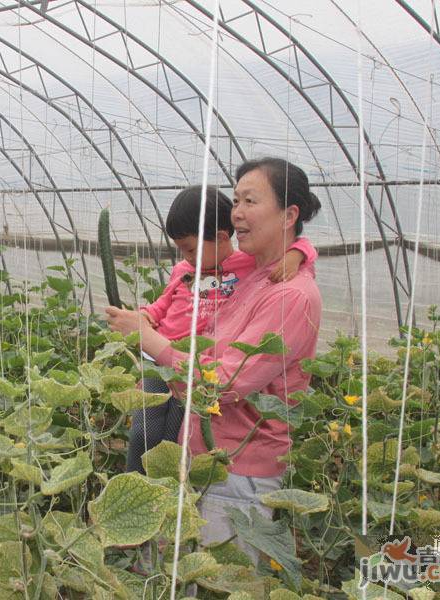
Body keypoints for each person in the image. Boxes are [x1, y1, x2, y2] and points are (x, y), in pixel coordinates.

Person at [107, 158, 322, 563]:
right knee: (191, 569)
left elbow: (221, 386)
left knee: (217, 578)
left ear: (289, 214)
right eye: (236, 199)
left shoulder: (288, 293)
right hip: (207, 459)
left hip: (238, 471)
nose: (237, 211)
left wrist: (152, 343)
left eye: (250, 200)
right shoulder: (255, 275)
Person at [126, 184, 317, 474]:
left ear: (221, 237)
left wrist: (296, 255)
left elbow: (297, 246)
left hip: (194, 369)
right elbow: (162, 304)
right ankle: (134, 484)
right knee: (143, 433)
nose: (185, 257)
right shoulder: (183, 271)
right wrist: (143, 317)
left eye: (189, 248)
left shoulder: (247, 265)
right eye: (180, 249)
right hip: (158, 359)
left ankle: (164, 492)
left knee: (176, 439)